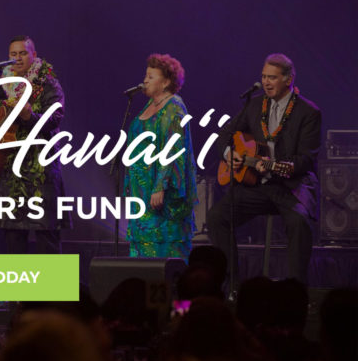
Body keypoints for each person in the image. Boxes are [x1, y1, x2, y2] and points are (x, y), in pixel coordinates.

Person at [207, 53, 321, 284]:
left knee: (299, 224)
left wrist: (277, 167)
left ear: (288, 79)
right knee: (217, 217)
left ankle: (296, 290)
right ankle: (232, 287)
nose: (266, 82)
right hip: (258, 186)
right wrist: (230, 154)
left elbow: (305, 159)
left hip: (291, 187)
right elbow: (225, 134)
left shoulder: (308, 112)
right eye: (264, 77)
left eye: (272, 77)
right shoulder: (255, 104)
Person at [0, 36, 71, 254]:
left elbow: (55, 118)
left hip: (41, 169)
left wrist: (29, 116)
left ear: (34, 55)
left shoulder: (47, 83)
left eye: (23, 53)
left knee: (46, 235)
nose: (17, 58)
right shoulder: (1, 84)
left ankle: (52, 278)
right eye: (13, 54)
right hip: (10, 170)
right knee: (13, 237)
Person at [124, 53, 198, 260]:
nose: (145, 80)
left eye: (151, 77)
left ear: (165, 82)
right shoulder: (151, 105)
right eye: (145, 76)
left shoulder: (174, 107)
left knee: (164, 249)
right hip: (142, 190)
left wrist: (160, 186)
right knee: (142, 250)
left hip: (161, 193)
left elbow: (173, 150)